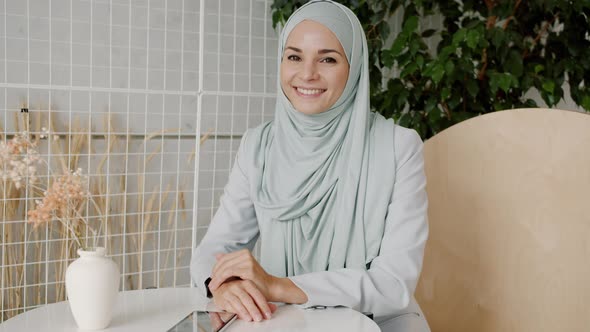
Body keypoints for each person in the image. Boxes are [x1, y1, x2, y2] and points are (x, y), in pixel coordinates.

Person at [190, 1, 431, 331]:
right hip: (280, 322)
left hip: (379, 325)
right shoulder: (258, 146)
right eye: (294, 56)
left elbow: (393, 284)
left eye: (328, 59)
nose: (307, 74)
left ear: (355, 66)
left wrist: (276, 286)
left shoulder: (397, 147)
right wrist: (224, 283)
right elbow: (215, 248)